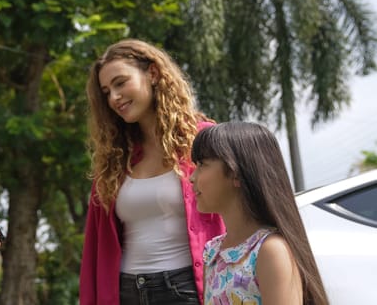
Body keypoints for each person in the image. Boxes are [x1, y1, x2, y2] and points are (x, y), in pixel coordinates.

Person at [79, 38, 225, 305]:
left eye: (120, 83)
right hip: (126, 292)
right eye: (106, 91)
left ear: (153, 73)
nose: (114, 97)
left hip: (188, 289)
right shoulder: (113, 161)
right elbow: (94, 251)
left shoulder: (203, 141)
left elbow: (238, 214)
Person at [189, 122, 329, 305]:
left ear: (236, 174)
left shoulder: (270, 251)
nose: (192, 177)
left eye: (202, 164)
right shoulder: (213, 251)